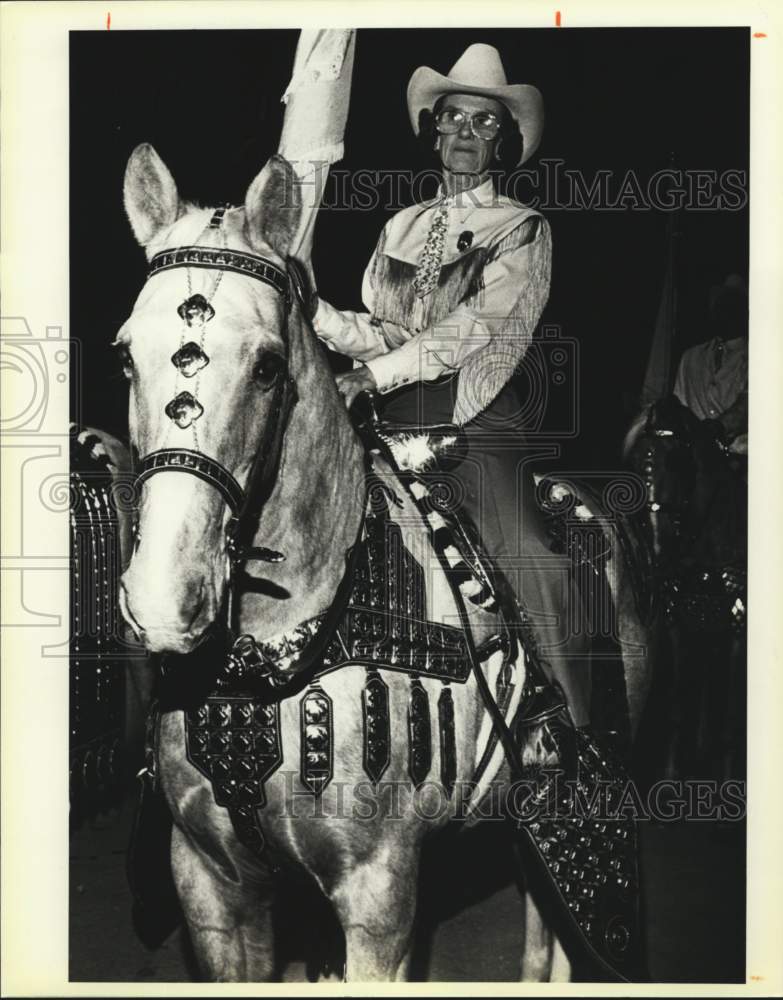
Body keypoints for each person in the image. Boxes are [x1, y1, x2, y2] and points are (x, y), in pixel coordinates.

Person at [313, 43, 592, 720]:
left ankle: (576, 732)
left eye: (484, 123)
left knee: (527, 557)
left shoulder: (521, 228)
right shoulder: (400, 225)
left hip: (473, 420)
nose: (466, 133)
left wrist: (368, 376)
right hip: (386, 412)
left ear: (503, 141)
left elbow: (472, 329)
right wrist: (310, 310)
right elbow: (382, 328)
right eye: (454, 117)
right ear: (433, 128)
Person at [673, 274, 748, 455]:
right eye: (720, 304)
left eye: (733, 305)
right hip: (694, 457)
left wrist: (718, 428)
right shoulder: (691, 357)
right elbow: (679, 405)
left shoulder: (761, 357)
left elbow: (749, 404)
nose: (724, 311)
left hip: (741, 459)